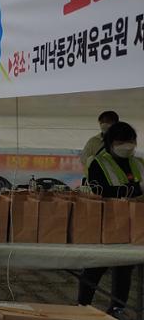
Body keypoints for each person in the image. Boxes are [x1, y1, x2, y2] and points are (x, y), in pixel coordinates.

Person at [78, 122, 143, 318]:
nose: (128, 145)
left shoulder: (138, 162)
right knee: (95, 265)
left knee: (125, 267)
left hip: (133, 222)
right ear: (110, 142)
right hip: (105, 220)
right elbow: (101, 190)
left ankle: (117, 308)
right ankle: (82, 305)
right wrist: (137, 189)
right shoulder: (98, 162)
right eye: (122, 141)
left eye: (131, 140)